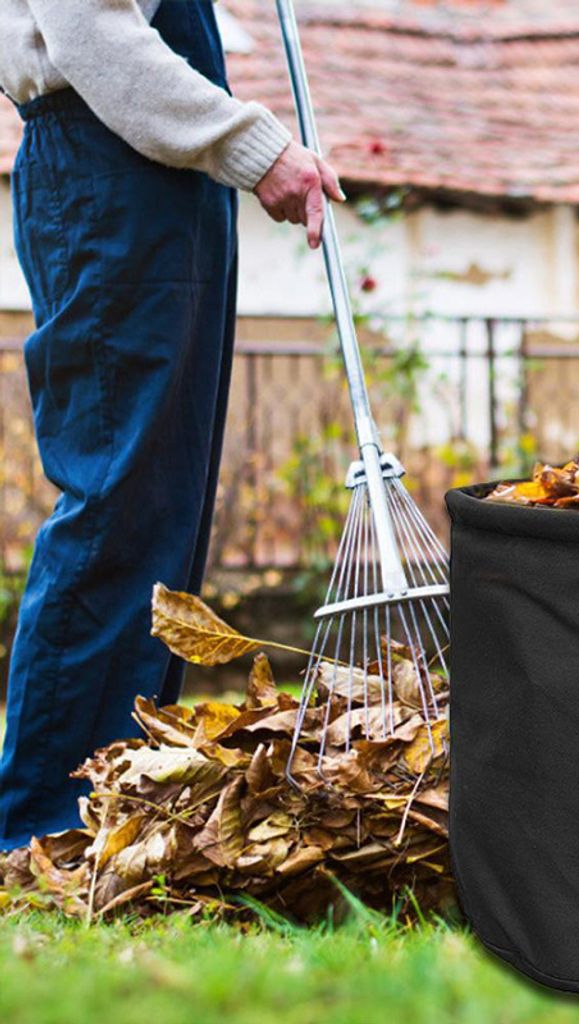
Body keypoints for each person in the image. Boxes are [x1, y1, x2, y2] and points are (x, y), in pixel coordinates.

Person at [0, 0, 343, 851]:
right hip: (106, 176)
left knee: (160, 514)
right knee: (117, 500)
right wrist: (254, 147)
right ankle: (40, 820)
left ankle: (122, 797)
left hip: (153, 186)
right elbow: (93, 35)